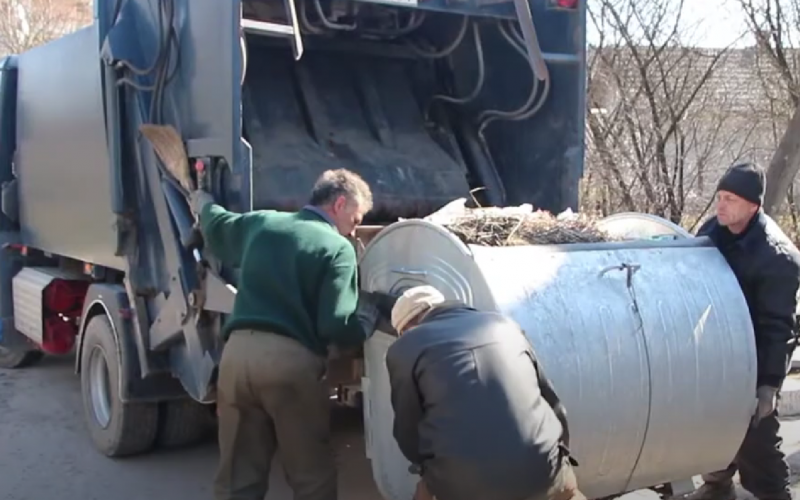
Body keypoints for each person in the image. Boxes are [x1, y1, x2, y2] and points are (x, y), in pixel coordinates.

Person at [189, 168, 394, 500]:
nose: (354, 229)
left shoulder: (262, 223)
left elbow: (216, 224)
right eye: (355, 220)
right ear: (339, 204)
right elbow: (336, 326)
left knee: (237, 473)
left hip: (236, 359)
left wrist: (202, 201)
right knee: (310, 473)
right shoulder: (337, 248)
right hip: (289, 365)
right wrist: (368, 317)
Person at [384, 285, 585, 500]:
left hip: (465, 487)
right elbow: (552, 402)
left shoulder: (406, 346)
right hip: (546, 471)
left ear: (408, 326)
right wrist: (556, 457)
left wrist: (429, 466)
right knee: (569, 494)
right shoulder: (506, 325)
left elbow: (408, 431)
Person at [687, 162, 800, 500]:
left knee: (758, 444)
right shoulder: (713, 232)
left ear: (754, 206)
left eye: (731, 199)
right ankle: (717, 487)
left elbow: (778, 327)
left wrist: (768, 385)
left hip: (752, 358)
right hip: (717, 347)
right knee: (711, 429)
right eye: (719, 197)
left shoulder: (777, 258)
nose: (721, 205)